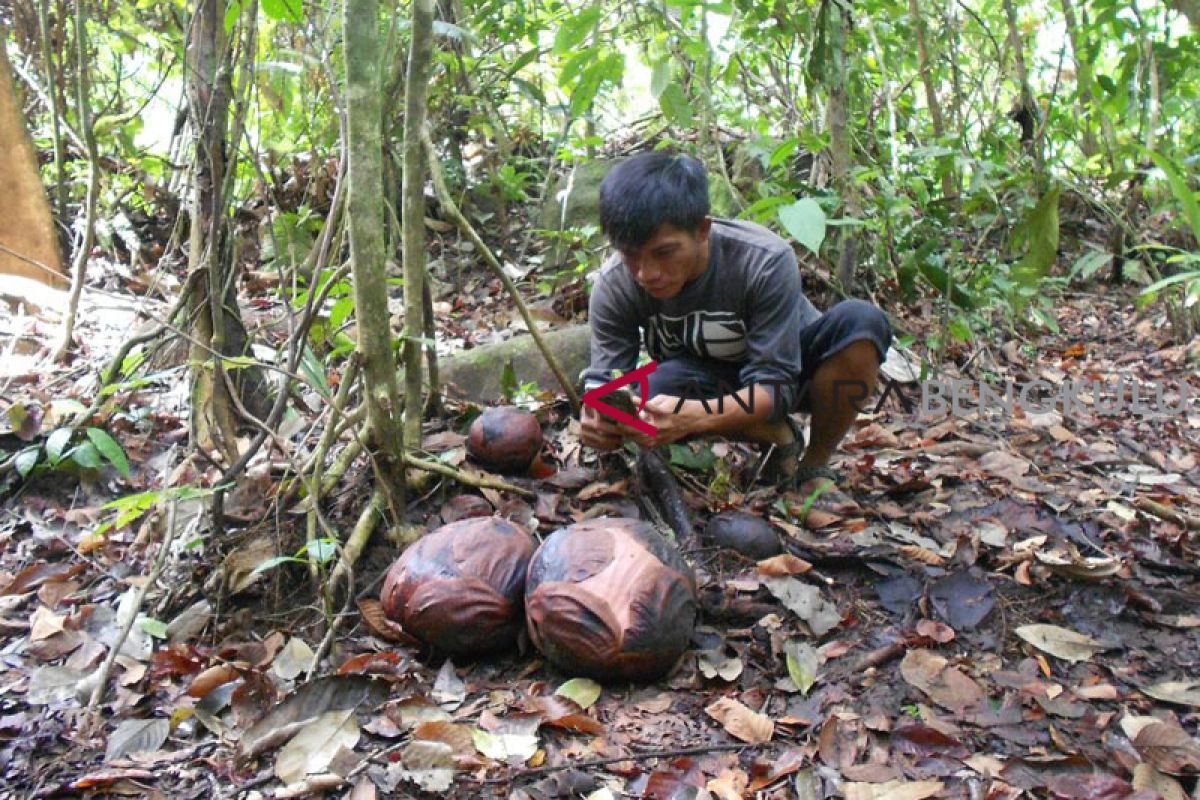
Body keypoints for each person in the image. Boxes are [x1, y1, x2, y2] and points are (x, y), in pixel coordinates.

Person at [578, 151, 892, 509]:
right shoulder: (615, 284)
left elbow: (776, 387)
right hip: (703, 379)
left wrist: (693, 418)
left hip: (790, 374)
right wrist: (600, 421)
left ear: (702, 230)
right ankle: (775, 435)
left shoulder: (763, 260)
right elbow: (606, 384)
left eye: (664, 252)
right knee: (652, 393)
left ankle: (814, 466)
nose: (646, 273)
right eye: (630, 255)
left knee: (862, 324)